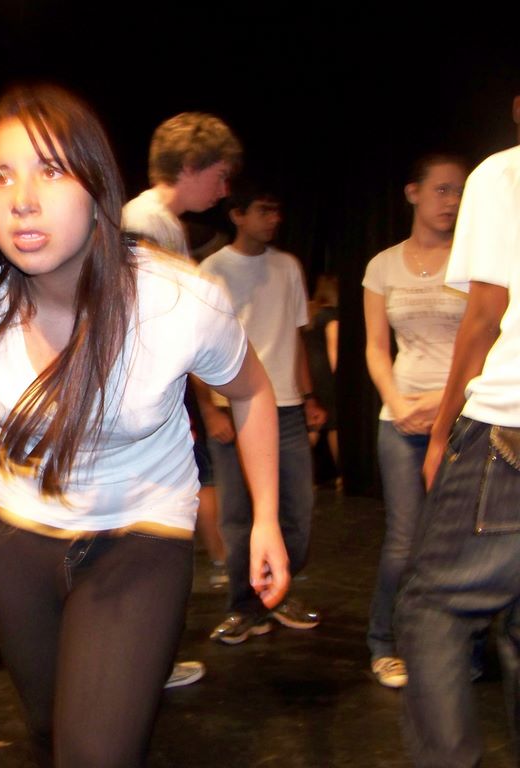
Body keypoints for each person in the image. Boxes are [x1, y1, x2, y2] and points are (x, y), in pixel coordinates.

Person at [0, 84, 288, 767]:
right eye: (1, 176)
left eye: (50, 170)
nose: (21, 199)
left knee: (94, 753)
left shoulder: (178, 300)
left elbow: (253, 391)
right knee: (49, 737)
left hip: (141, 536)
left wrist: (265, 517)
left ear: (96, 187)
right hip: (15, 536)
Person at [397, 138, 520, 766]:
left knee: (434, 608)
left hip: (510, 426)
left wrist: (443, 432)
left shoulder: (504, 173)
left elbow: (486, 315)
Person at [122, 110, 243, 687]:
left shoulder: (157, 221)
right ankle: (140, 664)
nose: (224, 189)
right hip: (141, 411)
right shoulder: (145, 221)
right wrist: (207, 404)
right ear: (191, 166)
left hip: (151, 405)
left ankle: (144, 660)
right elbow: (162, 326)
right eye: (219, 175)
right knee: (147, 542)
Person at [196, 179, 326, 645]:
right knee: (236, 515)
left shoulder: (288, 267)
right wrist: (211, 412)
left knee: (297, 510)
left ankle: (279, 594)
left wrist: (309, 397)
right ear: (237, 215)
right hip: (232, 408)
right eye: (264, 210)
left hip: (286, 408)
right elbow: (197, 349)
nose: (274, 219)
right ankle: (244, 607)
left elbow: (296, 337)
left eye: (276, 211)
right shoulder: (212, 270)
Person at [361, 153, 468, 689]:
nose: (451, 201)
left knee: (458, 541)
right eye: (442, 189)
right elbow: (376, 348)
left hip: (464, 414)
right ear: (413, 193)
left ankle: (455, 647)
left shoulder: (473, 261)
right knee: (404, 540)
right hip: (401, 419)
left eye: (459, 191)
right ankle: (384, 642)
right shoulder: (383, 265)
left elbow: (486, 346)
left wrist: (444, 402)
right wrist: (399, 403)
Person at [305, 274, 340, 486]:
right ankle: (342, 475)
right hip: (325, 375)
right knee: (334, 424)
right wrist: (338, 378)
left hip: (308, 373)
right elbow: (333, 349)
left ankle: (299, 473)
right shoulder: (331, 316)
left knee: (314, 424)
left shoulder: (311, 313)